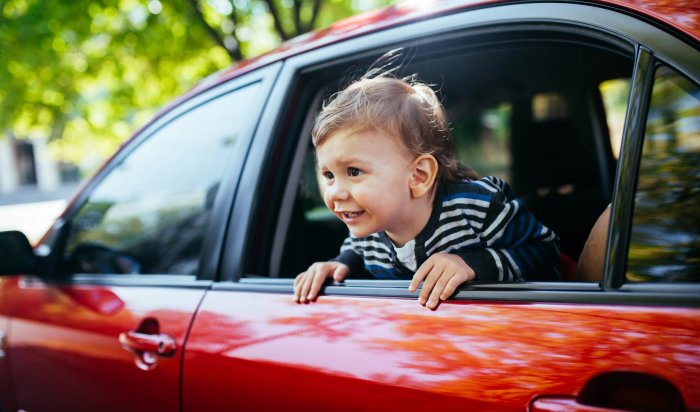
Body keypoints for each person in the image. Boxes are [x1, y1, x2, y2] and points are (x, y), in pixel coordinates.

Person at [294, 75, 559, 309]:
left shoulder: (476, 206)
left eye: (353, 172)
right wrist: (340, 264)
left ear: (418, 176)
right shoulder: (368, 230)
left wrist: (473, 264)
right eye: (328, 175)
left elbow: (545, 252)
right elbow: (357, 250)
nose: (336, 193)